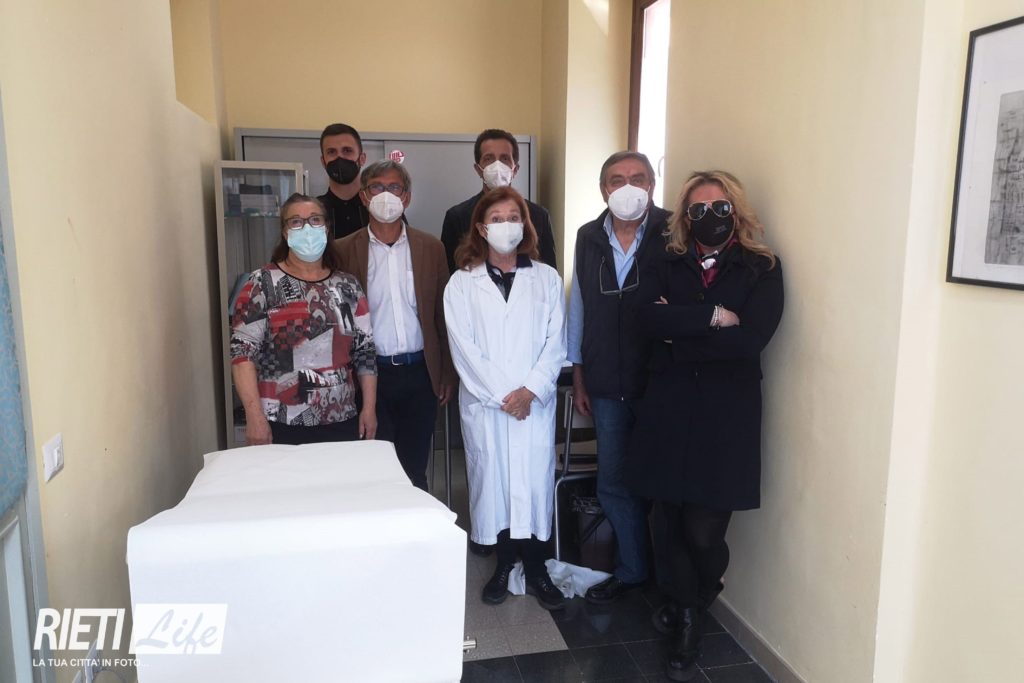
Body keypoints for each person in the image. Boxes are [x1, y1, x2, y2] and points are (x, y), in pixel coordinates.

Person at [626, 171, 783, 682]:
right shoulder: (665, 259)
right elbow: (644, 319)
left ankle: (701, 592)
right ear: (684, 217)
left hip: (725, 414)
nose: (709, 216)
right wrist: (714, 316)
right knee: (668, 518)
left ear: (736, 210)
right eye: (698, 209)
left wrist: (679, 332)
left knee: (705, 529)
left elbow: (751, 341)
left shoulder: (762, 267)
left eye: (719, 207)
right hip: (668, 406)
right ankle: (688, 618)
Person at [443, 187, 567, 610]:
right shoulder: (462, 283)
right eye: (496, 218)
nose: (505, 225)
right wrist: (506, 397)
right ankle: (502, 564)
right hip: (490, 407)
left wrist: (530, 391)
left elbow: (556, 342)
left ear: (525, 225)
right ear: (481, 228)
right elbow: (464, 350)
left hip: (533, 404)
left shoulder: (547, 278)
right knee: (494, 485)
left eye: (513, 217)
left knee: (532, 485)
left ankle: (537, 569)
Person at [567, 151, 671, 604]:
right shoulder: (588, 236)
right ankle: (632, 571)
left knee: (664, 482)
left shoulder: (674, 231)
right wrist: (579, 374)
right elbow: (580, 306)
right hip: (606, 381)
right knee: (612, 481)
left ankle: (670, 580)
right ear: (603, 189)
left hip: (660, 381)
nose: (628, 187)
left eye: (638, 178)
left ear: (652, 185)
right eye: (617, 179)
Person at [333, 160, 456, 490]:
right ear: (363, 196)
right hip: (370, 377)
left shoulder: (431, 247)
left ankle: (417, 522)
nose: (385, 194)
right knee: (377, 472)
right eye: (376, 187)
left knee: (415, 470)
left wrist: (446, 372)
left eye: (394, 187)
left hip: (420, 374)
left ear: (407, 197)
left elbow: (442, 314)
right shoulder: (343, 250)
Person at [231, 193, 378, 446]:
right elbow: (242, 354)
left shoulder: (347, 286)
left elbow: (365, 351)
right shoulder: (262, 284)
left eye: (315, 219)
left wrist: (369, 408)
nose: (307, 228)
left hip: (341, 418)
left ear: (326, 227)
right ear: (285, 232)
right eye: (296, 222)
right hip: (279, 422)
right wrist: (254, 417)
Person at [440, 128, 557, 274]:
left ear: (515, 169)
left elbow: (550, 272)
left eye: (505, 158)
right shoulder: (457, 217)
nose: (497, 166)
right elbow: (449, 273)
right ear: (478, 169)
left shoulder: (539, 216)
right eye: (489, 159)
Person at [318, 123, 370, 240]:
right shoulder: (314, 211)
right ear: (323, 161)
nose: (339, 157)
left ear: (362, 159)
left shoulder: (379, 208)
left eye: (347, 150)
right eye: (332, 152)